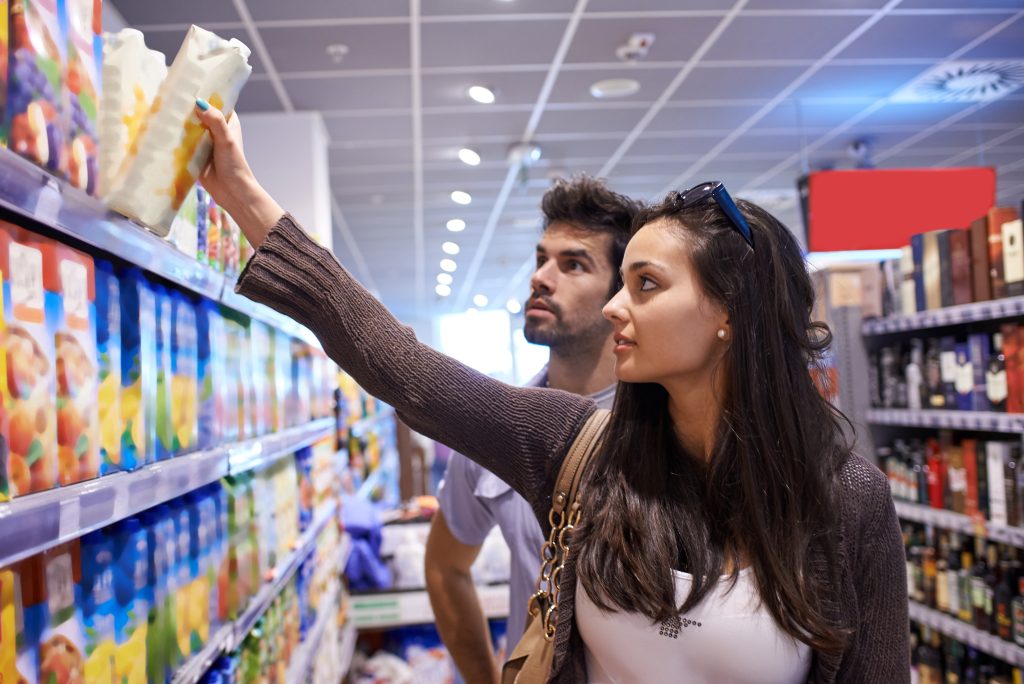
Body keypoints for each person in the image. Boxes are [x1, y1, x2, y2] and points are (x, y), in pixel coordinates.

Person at [194, 99, 909, 683]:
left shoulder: (845, 501)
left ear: (731, 313)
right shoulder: (577, 449)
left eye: (646, 285)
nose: (613, 309)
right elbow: (404, 370)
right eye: (622, 281)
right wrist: (243, 196)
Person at [425, 176, 638, 684]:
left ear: (621, 296)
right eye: (542, 259)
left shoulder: (670, 426)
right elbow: (444, 567)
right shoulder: (496, 428)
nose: (541, 278)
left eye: (573, 264)